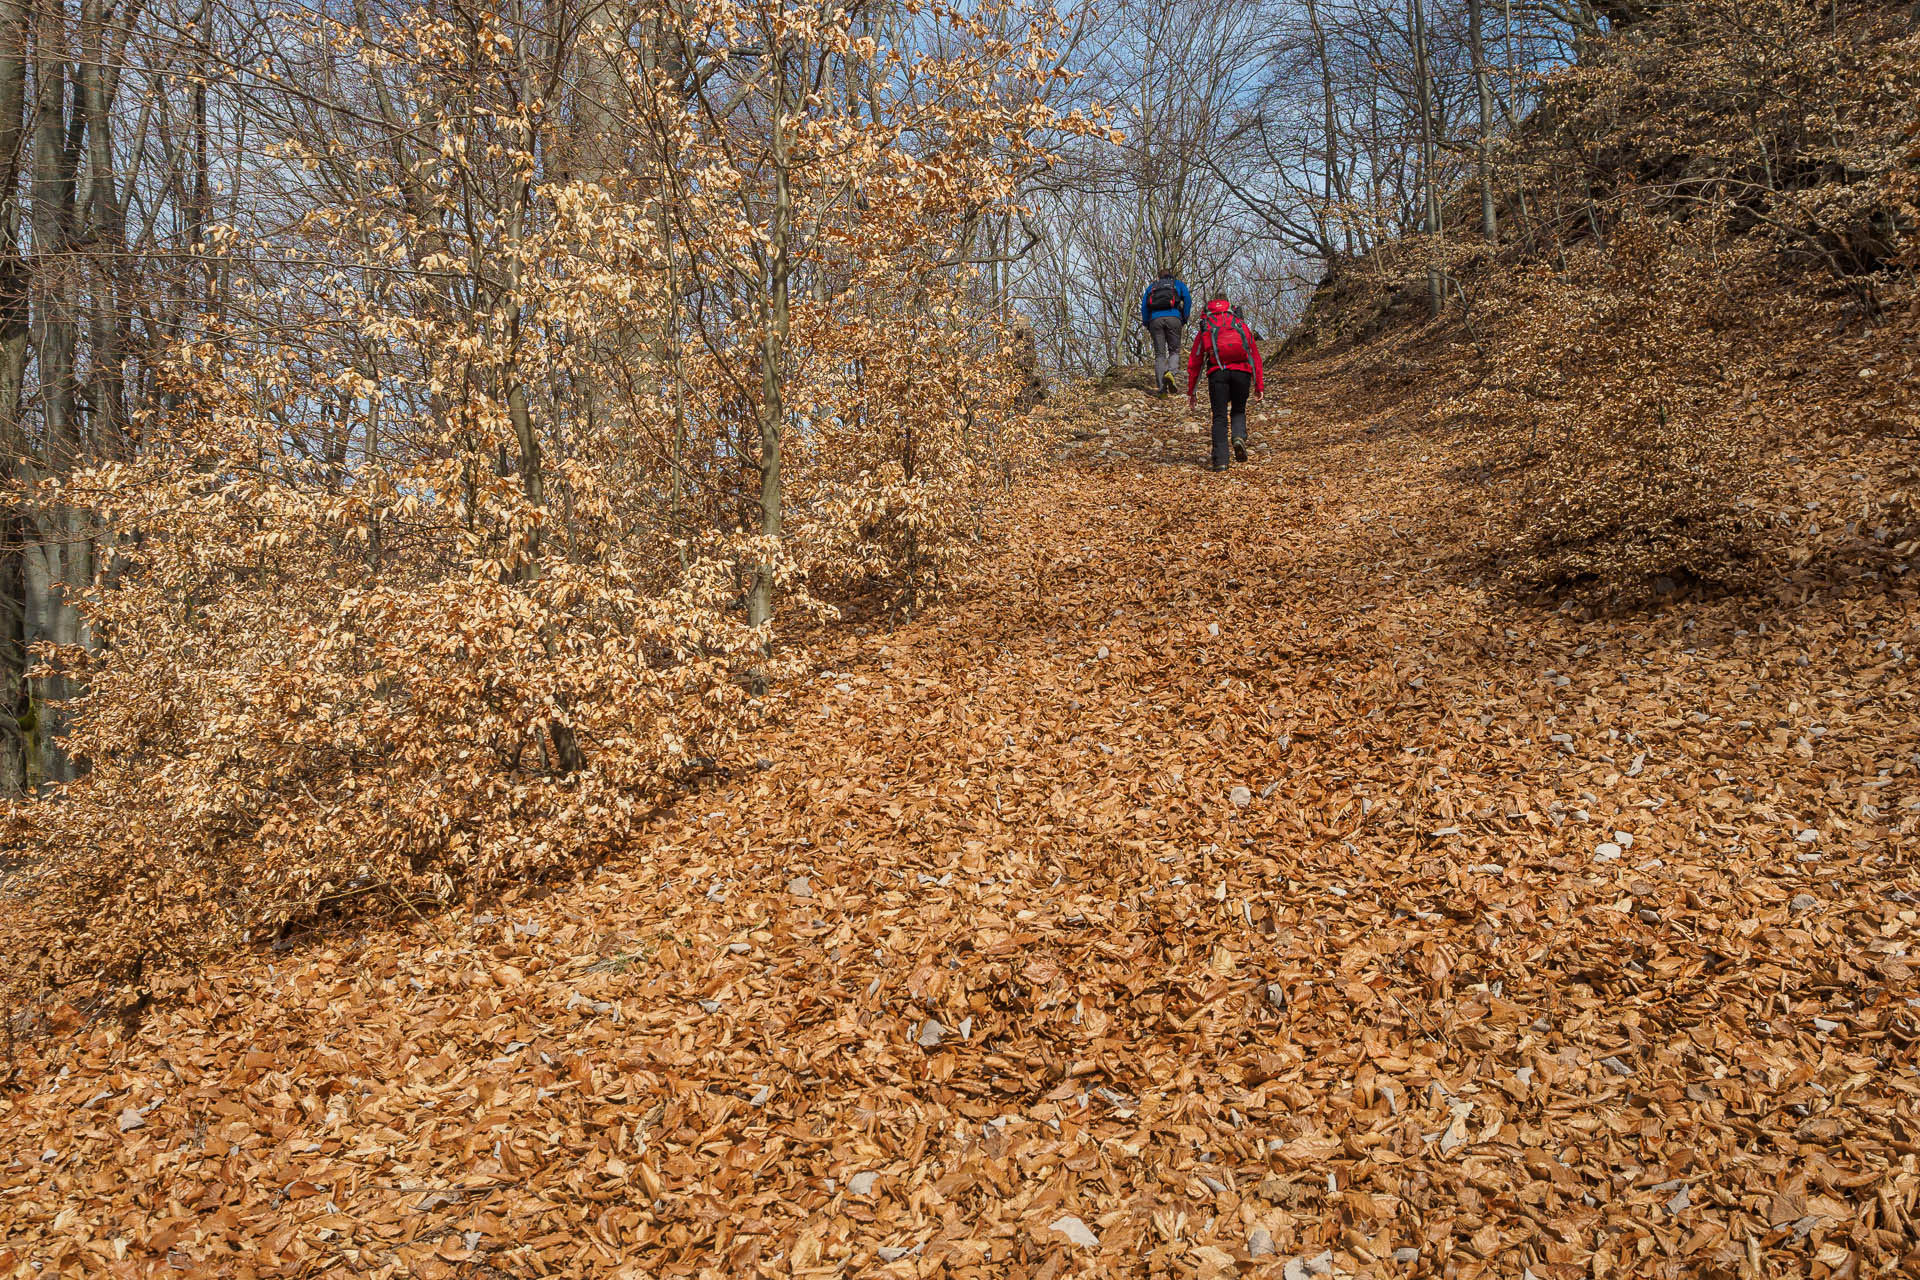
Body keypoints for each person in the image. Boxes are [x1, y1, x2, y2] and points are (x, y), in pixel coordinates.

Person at [1186, 295, 1263, 471]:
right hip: (1242, 374)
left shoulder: (1206, 325)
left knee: (1219, 417)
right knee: (1238, 410)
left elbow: (1195, 361)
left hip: (1217, 374)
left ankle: (1221, 461)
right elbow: (1255, 356)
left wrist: (1192, 392)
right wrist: (1258, 385)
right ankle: (1238, 437)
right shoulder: (1239, 324)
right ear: (1230, 306)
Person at [1139, 269, 1191, 397]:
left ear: (1159, 277)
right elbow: (1188, 300)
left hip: (1155, 320)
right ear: (1171, 275)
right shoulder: (1177, 284)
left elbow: (1144, 306)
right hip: (1174, 318)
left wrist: (1147, 322)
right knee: (1174, 350)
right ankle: (1171, 373)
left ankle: (1162, 389)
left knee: (1160, 354)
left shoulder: (1152, 287)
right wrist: (1184, 317)